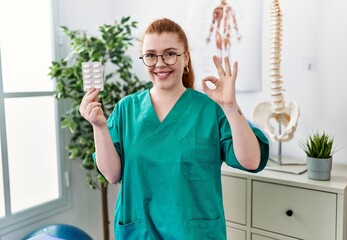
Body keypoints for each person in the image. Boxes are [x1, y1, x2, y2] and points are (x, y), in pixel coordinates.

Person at [79, 18, 268, 240]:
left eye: (170, 53)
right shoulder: (126, 108)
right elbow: (112, 175)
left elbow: (252, 161)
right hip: (140, 233)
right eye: (150, 55)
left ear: (185, 57)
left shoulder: (210, 109)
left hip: (193, 233)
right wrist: (99, 126)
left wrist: (230, 106)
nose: (160, 63)